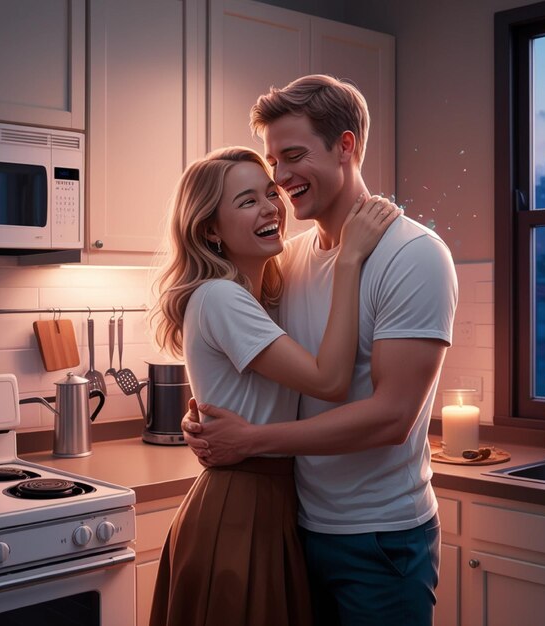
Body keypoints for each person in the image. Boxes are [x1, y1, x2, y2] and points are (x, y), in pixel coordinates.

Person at [182, 74, 459, 626]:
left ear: (346, 145)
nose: (280, 180)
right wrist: (208, 416)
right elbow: (264, 364)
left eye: (292, 157)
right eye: (272, 163)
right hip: (298, 526)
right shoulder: (291, 255)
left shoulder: (415, 256)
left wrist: (252, 441)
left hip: (379, 539)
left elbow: (391, 418)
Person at [147, 145, 400, 626]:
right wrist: (349, 260)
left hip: (269, 502)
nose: (270, 207)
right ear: (210, 230)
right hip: (241, 507)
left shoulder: (259, 296)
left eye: (269, 192)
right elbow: (329, 380)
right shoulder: (221, 297)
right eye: (246, 201)